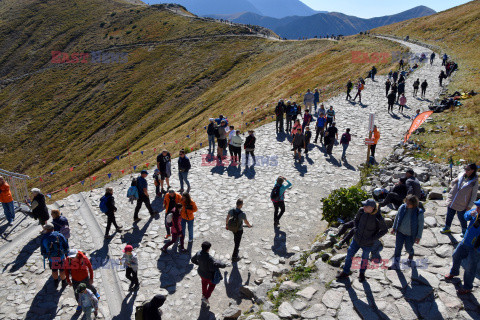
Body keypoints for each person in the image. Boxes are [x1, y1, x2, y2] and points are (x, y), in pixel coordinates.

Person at [336, 199, 387, 282]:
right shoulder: (361, 210)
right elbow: (356, 220)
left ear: (371, 208)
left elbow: (384, 230)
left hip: (368, 243)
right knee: (349, 254)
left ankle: (362, 274)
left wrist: (373, 239)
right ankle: (345, 272)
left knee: (365, 259)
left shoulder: (378, 217)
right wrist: (356, 229)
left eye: (366, 206)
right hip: (356, 239)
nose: (364, 207)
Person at [445, 200, 480, 294]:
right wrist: (470, 215)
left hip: (476, 249)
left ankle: (467, 287)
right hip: (465, 242)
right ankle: (454, 272)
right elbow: (465, 216)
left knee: (470, 267)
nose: (477, 208)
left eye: (479, 207)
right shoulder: (475, 212)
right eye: (477, 206)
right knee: (456, 255)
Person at [441, 163, 479, 236]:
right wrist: (454, 181)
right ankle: (447, 227)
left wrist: (470, 206)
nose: (466, 171)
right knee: (449, 215)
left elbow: (474, 195)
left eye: (468, 169)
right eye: (465, 168)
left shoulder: (474, 182)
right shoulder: (461, 175)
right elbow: (452, 185)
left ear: (472, 170)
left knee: (462, 217)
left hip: (462, 203)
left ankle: (464, 231)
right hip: (452, 200)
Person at [389, 195, 424, 270]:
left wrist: (418, 237)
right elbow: (397, 217)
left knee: (408, 248)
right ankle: (395, 264)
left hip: (410, 235)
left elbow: (420, 226)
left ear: (414, 204)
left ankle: (411, 253)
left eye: (409, 204)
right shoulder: (402, 207)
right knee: (398, 248)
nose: (407, 205)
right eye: (406, 202)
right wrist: (394, 228)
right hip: (400, 233)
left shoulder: (419, 212)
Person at [191, 241, 227, 306]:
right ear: (208, 249)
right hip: (209, 276)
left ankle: (203, 295)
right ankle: (206, 298)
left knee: (204, 284)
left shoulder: (198, 253)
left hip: (201, 273)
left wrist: (200, 264)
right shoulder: (210, 258)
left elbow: (193, 260)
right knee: (212, 286)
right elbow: (218, 266)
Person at [40, 224, 69, 288]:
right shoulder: (59, 235)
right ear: (53, 229)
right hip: (60, 257)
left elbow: (43, 249)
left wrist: (45, 255)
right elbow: (66, 245)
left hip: (51, 258)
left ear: (47, 230)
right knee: (62, 270)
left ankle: (56, 282)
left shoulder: (44, 238)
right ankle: (64, 282)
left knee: (54, 270)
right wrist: (66, 253)